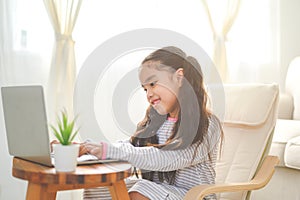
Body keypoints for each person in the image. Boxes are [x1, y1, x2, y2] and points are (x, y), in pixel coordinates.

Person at [80, 46, 223, 200]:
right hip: (162, 193)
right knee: (99, 188)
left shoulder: (207, 125)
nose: (148, 94)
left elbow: (166, 158)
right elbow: (132, 147)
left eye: (153, 84)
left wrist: (107, 150)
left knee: (141, 189)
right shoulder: (157, 123)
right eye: (145, 89)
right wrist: (87, 150)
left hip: (194, 197)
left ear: (179, 78)